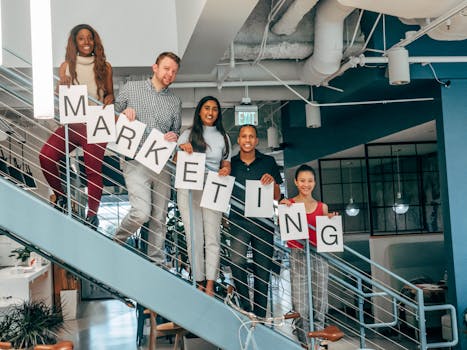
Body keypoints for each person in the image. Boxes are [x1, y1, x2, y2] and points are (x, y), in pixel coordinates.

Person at [39, 24, 114, 228]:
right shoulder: (66, 66)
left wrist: (109, 99)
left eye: (90, 38)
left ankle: (92, 215)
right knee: (46, 155)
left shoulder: (105, 67)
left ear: (95, 41)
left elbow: (109, 94)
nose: (86, 42)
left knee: (92, 171)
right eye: (81, 39)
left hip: (96, 123)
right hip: (74, 123)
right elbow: (58, 93)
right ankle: (61, 196)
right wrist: (61, 84)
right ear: (75, 42)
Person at [113, 52, 182, 266]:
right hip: (135, 160)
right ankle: (116, 241)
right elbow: (110, 117)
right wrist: (123, 113)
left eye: (174, 71)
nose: (170, 74)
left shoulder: (175, 101)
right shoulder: (130, 89)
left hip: (161, 162)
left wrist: (174, 137)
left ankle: (156, 263)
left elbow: (175, 131)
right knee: (141, 213)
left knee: (159, 217)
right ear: (155, 67)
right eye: (166, 68)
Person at [177, 96, 231, 296]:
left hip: (213, 188)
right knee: (194, 237)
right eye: (207, 108)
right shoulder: (188, 134)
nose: (210, 112)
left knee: (212, 238)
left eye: (215, 109)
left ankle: (210, 284)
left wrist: (225, 169)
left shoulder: (223, 137)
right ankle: (198, 280)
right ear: (200, 111)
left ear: (218, 113)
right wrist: (183, 149)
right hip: (189, 189)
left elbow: (226, 162)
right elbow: (175, 159)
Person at [280, 164, 338, 347]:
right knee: (301, 307)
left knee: (319, 304)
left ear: (315, 182)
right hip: (297, 256)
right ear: (296, 182)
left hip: (319, 257)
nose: (306, 184)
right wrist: (283, 207)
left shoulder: (322, 207)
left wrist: (330, 219)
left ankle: (318, 344)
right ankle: (305, 345)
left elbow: (326, 234)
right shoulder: (289, 204)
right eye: (302, 180)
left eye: (310, 181)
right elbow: (284, 231)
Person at [229, 124, 282, 317]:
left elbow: (277, 196)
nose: (248, 140)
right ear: (239, 140)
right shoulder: (230, 164)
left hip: (264, 224)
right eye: (244, 136)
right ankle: (246, 308)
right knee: (236, 261)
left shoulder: (268, 162)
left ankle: (260, 317)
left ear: (257, 140)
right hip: (238, 222)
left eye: (251, 136)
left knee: (263, 272)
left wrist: (272, 181)